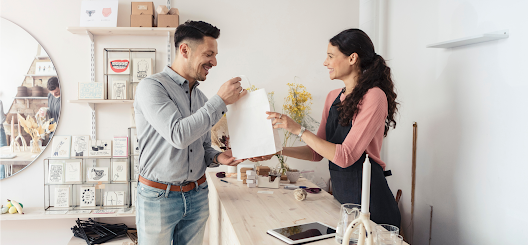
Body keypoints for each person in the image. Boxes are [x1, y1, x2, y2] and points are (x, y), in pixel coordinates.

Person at [260, 29, 401, 227]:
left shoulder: (374, 97)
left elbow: (345, 156)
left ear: (352, 58)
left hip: (372, 206)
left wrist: (298, 130)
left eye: (330, 56)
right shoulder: (332, 97)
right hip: (344, 203)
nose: (325, 62)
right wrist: (277, 151)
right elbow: (316, 152)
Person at [134, 20, 248, 245]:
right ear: (184, 50)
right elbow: (178, 135)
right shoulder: (152, 87)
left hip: (197, 194)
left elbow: (202, 146)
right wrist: (221, 100)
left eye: (215, 55)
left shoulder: (200, 98)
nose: (214, 62)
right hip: (158, 198)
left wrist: (218, 156)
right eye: (209, 54)